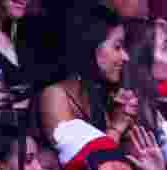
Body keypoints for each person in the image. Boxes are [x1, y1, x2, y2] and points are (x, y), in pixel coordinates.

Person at [38, 5, 139, 145]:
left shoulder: (96, 95)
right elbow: (87, 162)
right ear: (91, 46)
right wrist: (116, 127)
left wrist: (128, 123)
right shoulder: (55, 96)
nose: (126, 57)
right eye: (117, 47)